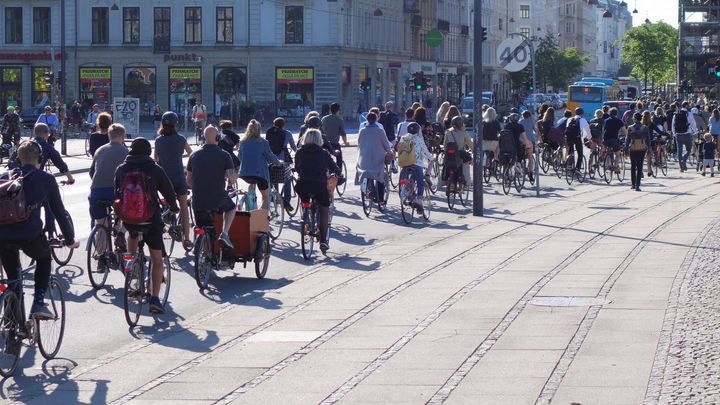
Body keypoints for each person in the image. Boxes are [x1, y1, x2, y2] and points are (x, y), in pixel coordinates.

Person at [0, 141, 79, 320]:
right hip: (30, 235)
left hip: (3, 236)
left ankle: (12, 322)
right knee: (44, 259)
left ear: (18, 158)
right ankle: (38, 302)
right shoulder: (45, 179)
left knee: (13, 278)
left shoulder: (5, 176)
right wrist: (69, 240)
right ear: (39, 158)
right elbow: (59, 212)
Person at [115, 138, 178, 314]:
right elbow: (168, 191)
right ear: (148, 152)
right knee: (157, 260)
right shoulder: (154, 169)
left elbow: (117, 194)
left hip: (129, 219)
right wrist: (173, 207)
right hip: (150, 219)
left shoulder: (122, 169)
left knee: (131, 234)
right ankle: (155, 299)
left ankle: (131, 266)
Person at [187, 126, 238, 249]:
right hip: (217, 199)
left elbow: (188, 181)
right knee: (231, 208)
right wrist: (231, 178)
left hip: (198, 200)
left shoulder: (194, 155)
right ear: (218, 138)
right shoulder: (224, 155)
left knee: (201, 226)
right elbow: (232, 179)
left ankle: (203, 253)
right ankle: (224, 234)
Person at [294, 129, 342, 253]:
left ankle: (306, 217)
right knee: (324, 209)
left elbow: (297, 168)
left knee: (305, 201)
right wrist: (339, 173)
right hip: (319, 185)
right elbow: (334, 168)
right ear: (319, 139)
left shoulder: (299, 152)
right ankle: (323, 241)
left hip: (303, 185)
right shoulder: (323, 153)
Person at [154, 111, 193, 251]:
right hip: (178, 178)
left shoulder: (158, 140)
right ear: (177, 124)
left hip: (164, 180)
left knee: (165, 201)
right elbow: (192, 155)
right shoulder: (181, 139)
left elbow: (156, 160)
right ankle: (186, 239)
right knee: (184, 207)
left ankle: (167, 219)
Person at [89, 123, 129, 238]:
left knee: (101, 224)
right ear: (122, 136)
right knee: (129, 213)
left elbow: (91, 172)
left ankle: (100, 251)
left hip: (96, 191)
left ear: (109, 136)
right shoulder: (125, 152)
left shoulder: (99, 150)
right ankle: (120, 233)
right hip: (115, 192)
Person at [238, 119, 282, 210]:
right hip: (260, 174)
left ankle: (250, 204)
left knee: (251, 183)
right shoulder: (263, 142)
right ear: (259, 130)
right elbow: (270, 157)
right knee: (266, 197)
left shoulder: (242, 142)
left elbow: (239, 157)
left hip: (244, 174)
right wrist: (278, 163)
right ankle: (262, 219)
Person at [357, 112, 392, 205]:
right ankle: (380, 199)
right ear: (376, 119)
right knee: (380, 177)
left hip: (364, 158)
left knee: (367, 172)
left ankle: (368, 190)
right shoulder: (379, 130)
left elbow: (359, 143)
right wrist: (389, 151)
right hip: (377, 158)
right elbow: (386, 144)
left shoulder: (362, 130)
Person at [397, 122, 432, 211]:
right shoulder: (419, 139)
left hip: (404, 163)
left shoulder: (403, 138)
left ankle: (407, 191)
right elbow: (425, 151)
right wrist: (432, 158)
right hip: (416, 163)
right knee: (420, 182)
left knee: (407, 178)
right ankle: (419, 199)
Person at [265, 117, 297, 210]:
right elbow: (293, 147)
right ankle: (286, 201)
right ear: (283, 125)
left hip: (271, 160)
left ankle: (275, 198)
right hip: (283, 160)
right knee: (287, 178)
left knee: (274, 179)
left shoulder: (269, 132)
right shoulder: (287, 133)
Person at [443, 116, 473, 184]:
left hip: (449, 153)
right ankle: (466, 181)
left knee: (446, 164)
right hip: (460, 153)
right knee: (466, 162)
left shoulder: (448, 132)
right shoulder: (463, 132)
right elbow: (470, 144)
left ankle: (443, 180)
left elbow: (445, 144)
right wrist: (473, 151)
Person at [625, 112, 650, 191]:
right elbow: (648, 139)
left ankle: (633, 184)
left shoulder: (630, 128)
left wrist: (626, 149)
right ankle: (638, 185)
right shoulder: (645, 127)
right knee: (640, 166)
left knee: (633, 166)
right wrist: (649, 149)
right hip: (642, 149)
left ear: (635, 119)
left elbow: (627, 140)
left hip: (632, 148)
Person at [672, 101, 698, 172]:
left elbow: (673, 125)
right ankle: (684, 159)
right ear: (686, 105)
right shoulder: (689, 114)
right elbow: (693, 124)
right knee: (688, 150)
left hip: (678, 134)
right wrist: (695, 131)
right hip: (687, 134)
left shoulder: (676, 114)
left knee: (679, 151)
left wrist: (674, 133)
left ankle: (681, 167)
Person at [602, 108, 627, 173]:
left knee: (607, 150)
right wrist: (626, 137)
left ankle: (606, 163)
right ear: (616, 113)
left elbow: (603, 130)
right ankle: (615, 166)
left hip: (606, 139)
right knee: (618, 154)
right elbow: (625, 132)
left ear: (610, 113)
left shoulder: (606, 120)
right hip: (614, 139)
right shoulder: (619, 121)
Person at [519, 110, 537, 176]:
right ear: (529, 115)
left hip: (522, 141)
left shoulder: (520, 121)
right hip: (530, 141)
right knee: (530, 157)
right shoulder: (532, 121)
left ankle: (521, 167)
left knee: (520, 155)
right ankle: (530, 172)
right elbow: (536, 130)